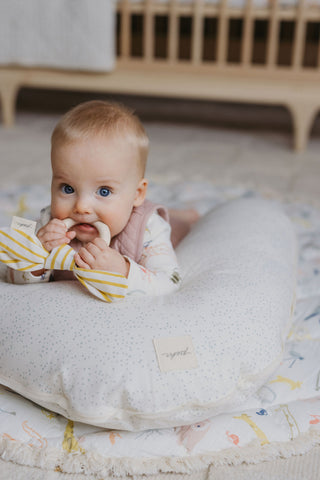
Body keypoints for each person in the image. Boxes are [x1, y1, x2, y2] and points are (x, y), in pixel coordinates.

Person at [8, 100, 198, 299]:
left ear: (137, 194)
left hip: (155, 229)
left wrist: (123, 271)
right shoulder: (49, 224)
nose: (81, 207)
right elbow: (10, 276)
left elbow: (170, 282)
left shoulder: (149, 228)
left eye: (104, 191)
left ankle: (183, 216)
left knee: (179, 229)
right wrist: (36, 254)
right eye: (68, 188)